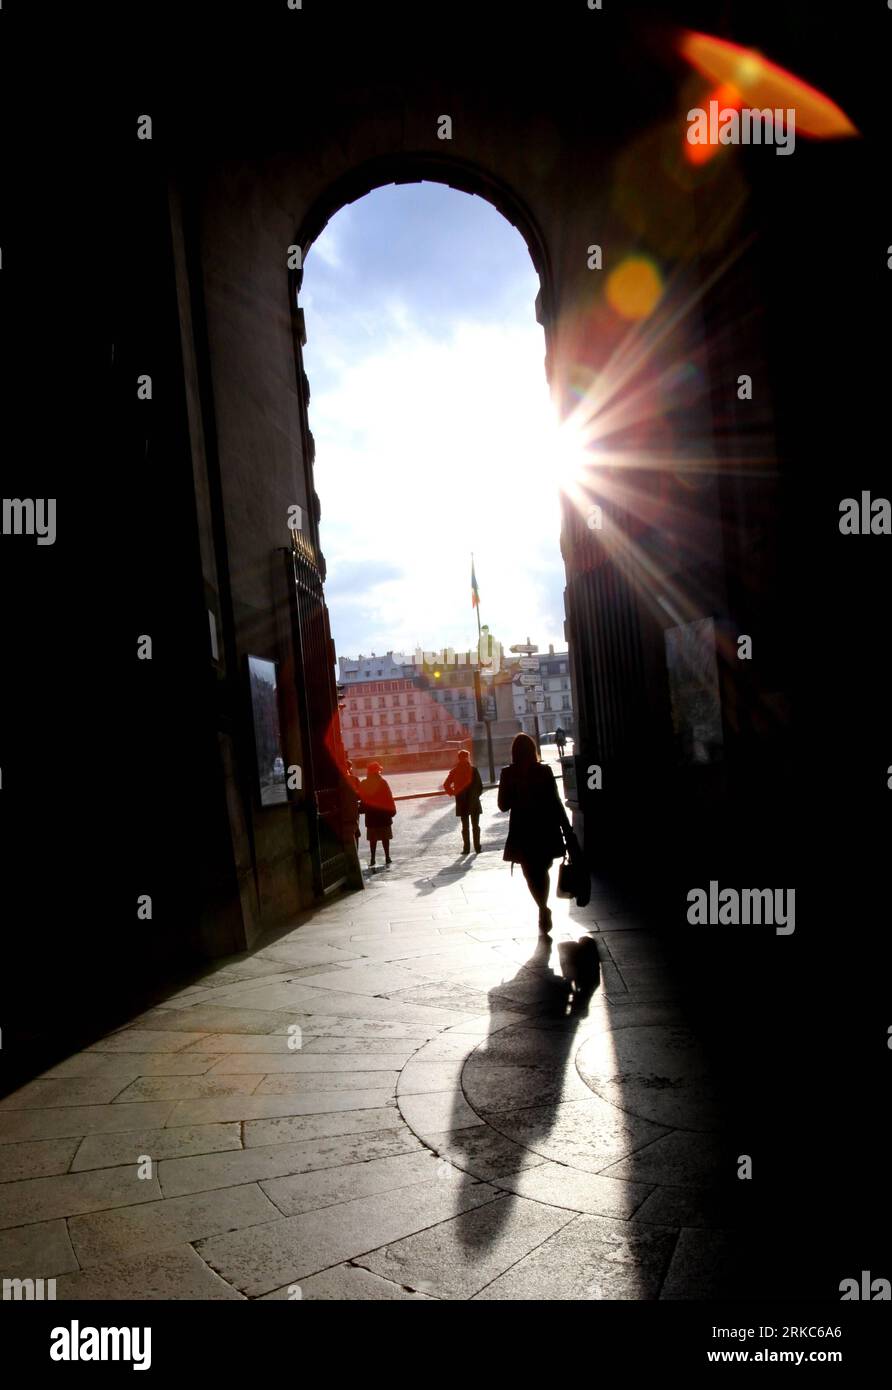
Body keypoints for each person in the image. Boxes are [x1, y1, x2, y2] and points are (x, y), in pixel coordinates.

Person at [498, 731, 569, 933]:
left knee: (530, 873)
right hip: (545, 828)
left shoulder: (508, 774)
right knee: (543, 869)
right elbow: (555, 802)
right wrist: (567, 829)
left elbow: (502, 805)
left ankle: (542, 908)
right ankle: (543, 907)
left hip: (522, 830)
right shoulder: (544, 771)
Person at [443, 749, 483, 854]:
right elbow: (480, 786)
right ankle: (477, 848)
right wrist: (475, 796)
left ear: (459, 758)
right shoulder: (473, 770)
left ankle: (466, 849)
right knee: (476, 826)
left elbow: (446, 785)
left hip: (462, 802)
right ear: (467, 757)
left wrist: (453, 793)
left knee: (465, 827)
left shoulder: (455, 771)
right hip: (474, 802)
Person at [358, 761, 396, 869]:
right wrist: (392, 810)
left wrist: (361, 809)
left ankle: (373, 858)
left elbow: (361, 798)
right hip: (383, 814)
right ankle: (387, 856)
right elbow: (389, 797)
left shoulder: (364, 783)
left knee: (373, 839)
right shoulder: (383, 782)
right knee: (385, 838)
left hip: (371, 815)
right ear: (377, 771)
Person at [345, 759, 362, 844]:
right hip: (353, 808)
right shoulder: (354, 779)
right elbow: (361, 795)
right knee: (355, 830)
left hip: (343, 810)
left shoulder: (338, 780)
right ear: (350, 768)